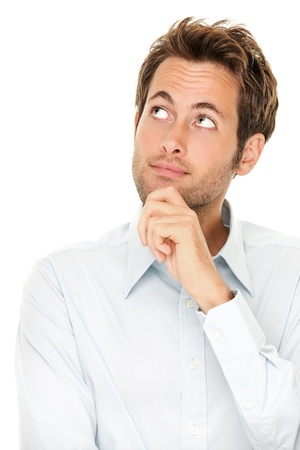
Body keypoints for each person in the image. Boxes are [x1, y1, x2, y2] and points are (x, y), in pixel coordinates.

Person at [15, 16, 300, 450]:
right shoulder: (62, 287)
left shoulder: (293, 275)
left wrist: (212, 292)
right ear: (135, 124)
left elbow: (289, 434)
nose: (171, 140)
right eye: (161, 111)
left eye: (204, 120)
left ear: (248, 153)